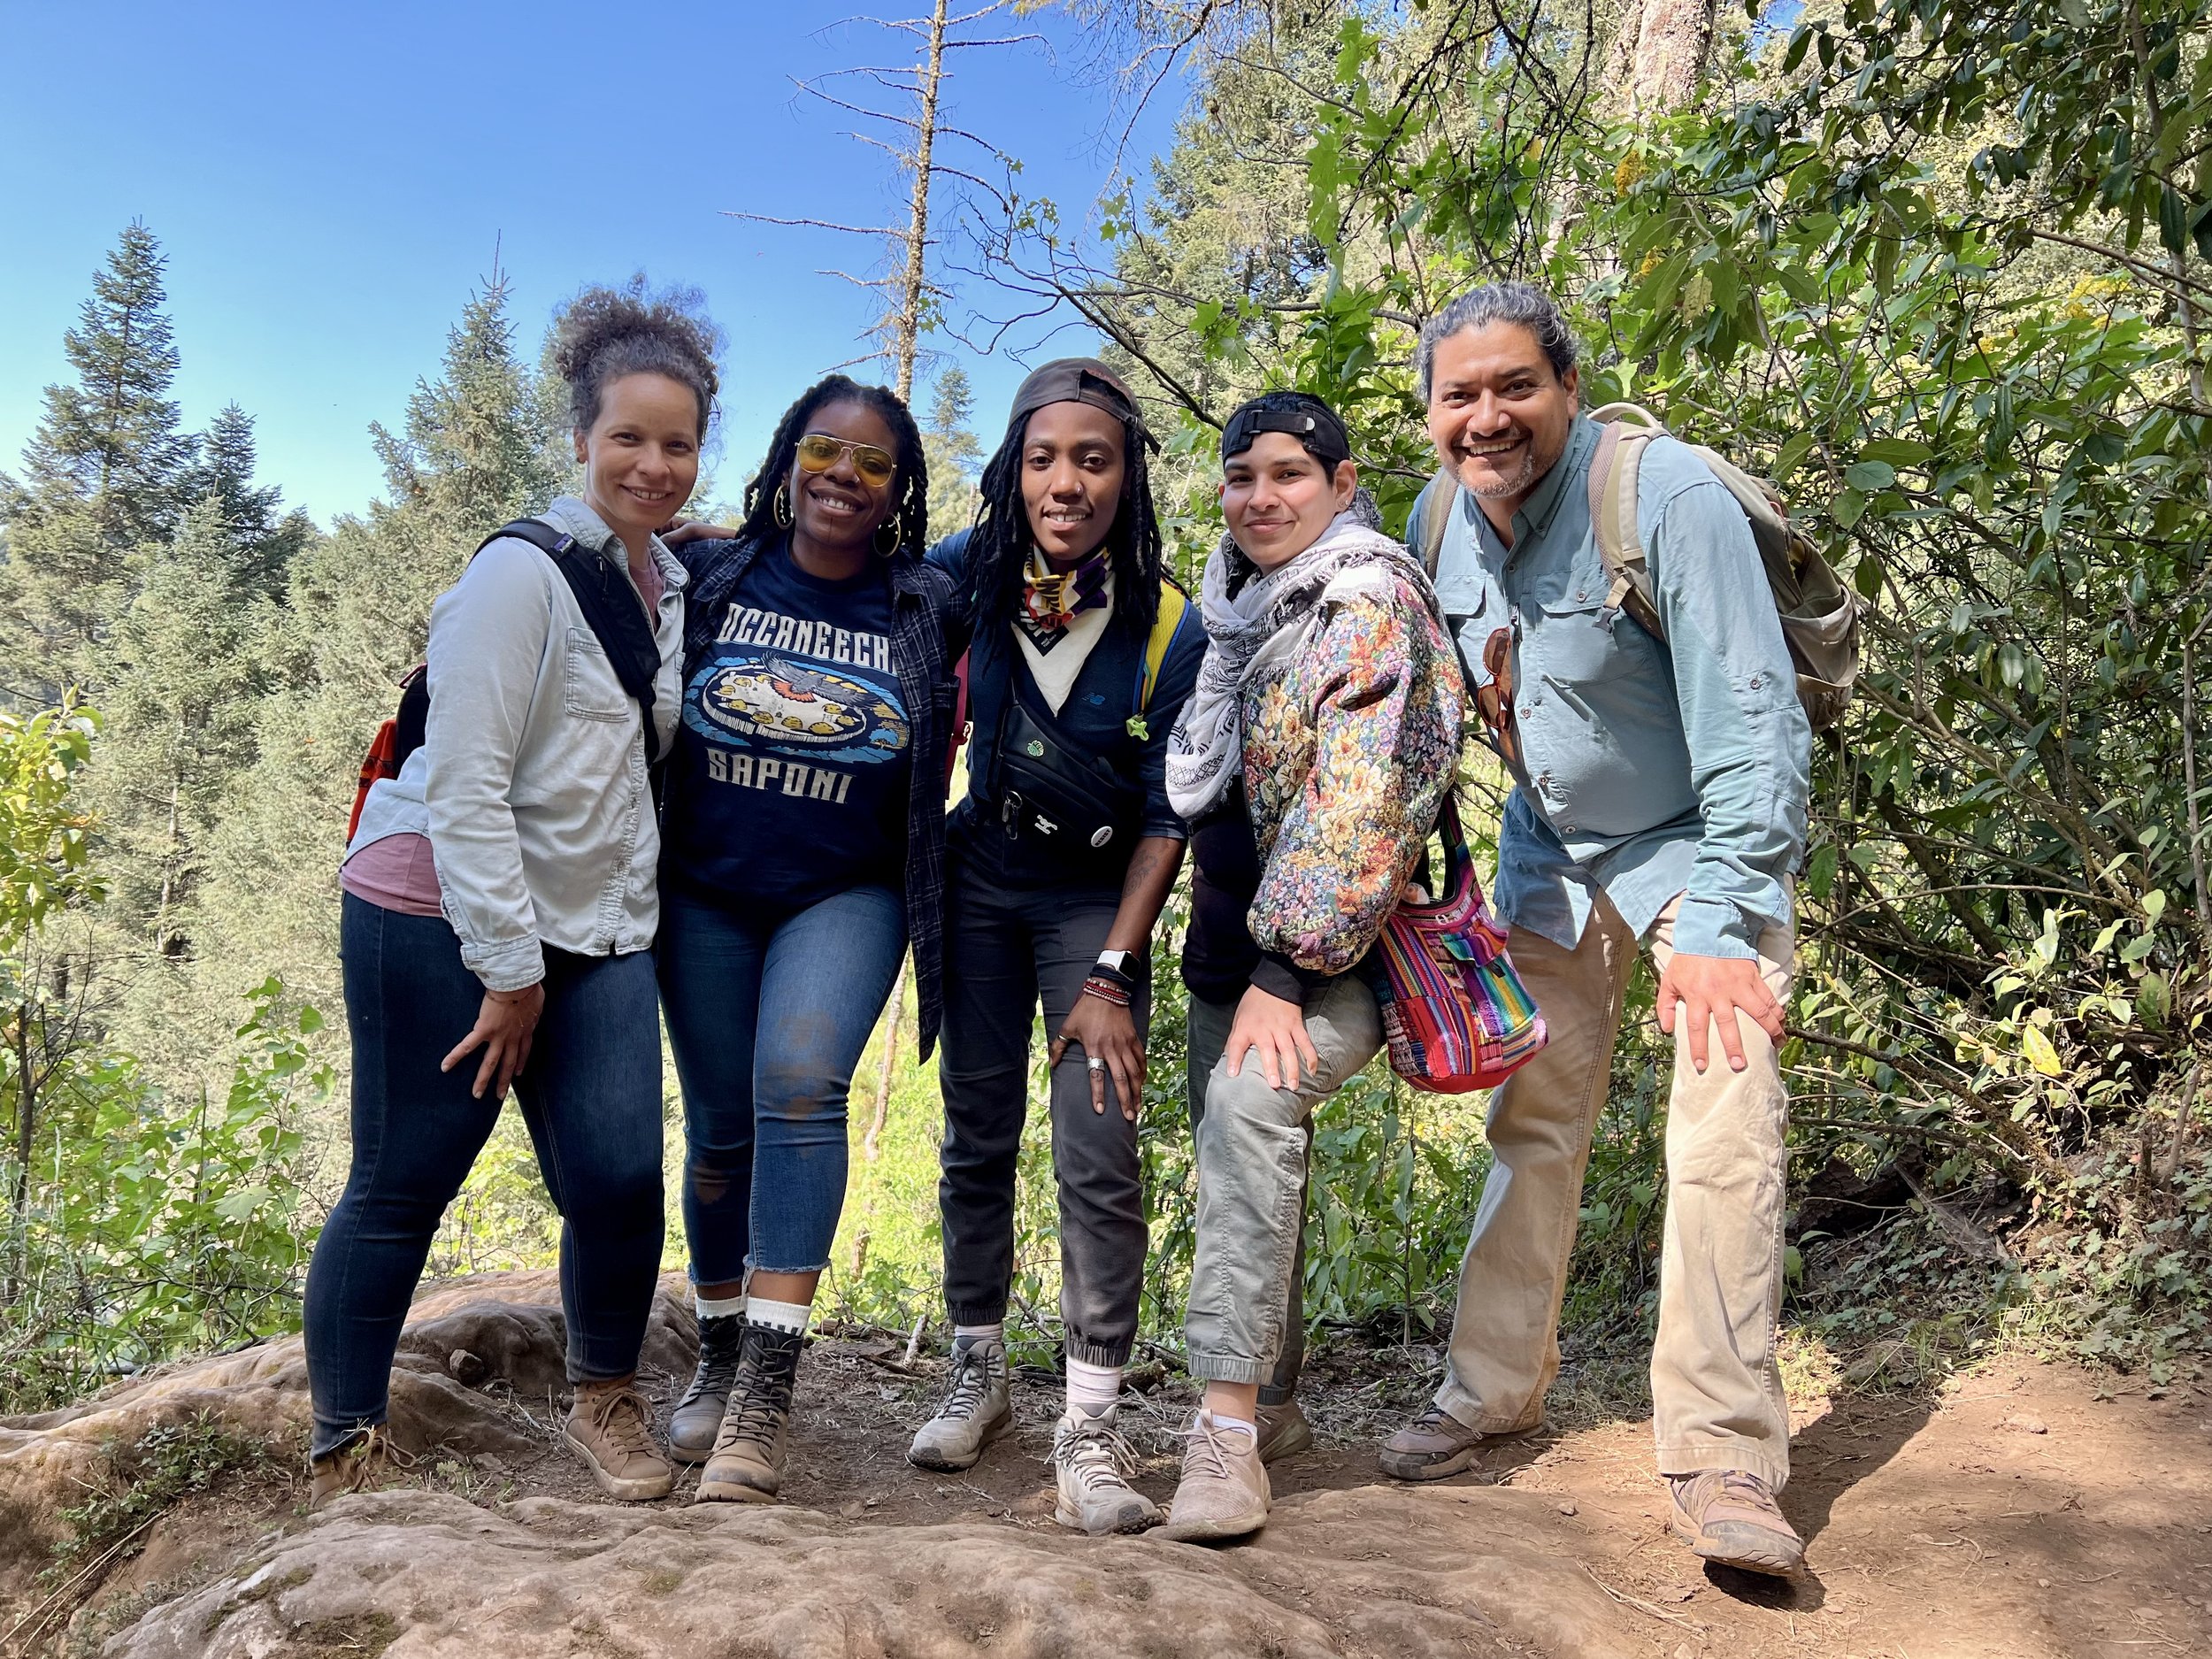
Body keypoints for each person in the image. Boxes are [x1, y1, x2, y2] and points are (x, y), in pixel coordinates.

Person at [1380, 280, 1813, 1578]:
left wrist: (1727, 922)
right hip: (1547, 851)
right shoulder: (1437, 519)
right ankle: (1493, 1386)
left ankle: (1723, 1446)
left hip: (1698, 846)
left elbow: (1756, 722)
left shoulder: (1663, 496)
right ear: (1430, 417)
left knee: (1725, 1103)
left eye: (1515, 385)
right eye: (1460, 394)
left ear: (1567, 386)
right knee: (1534, 1113)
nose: (1488, 416)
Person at [304, 288, 718, 1508]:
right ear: (582, 437)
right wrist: (510, 973)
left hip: (594, 920)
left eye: (677, 441)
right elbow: (468, 790)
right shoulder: (515, 578)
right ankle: (344, 1444)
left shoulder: (667, 586)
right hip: (440, 915)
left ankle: (603, 1393)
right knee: (402, 1177)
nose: (652, 463)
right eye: (628, 437)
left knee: (618, 1178)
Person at [1157, 391, 1466, 1542]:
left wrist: (1282, 972)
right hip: (1231, 943)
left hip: (1328, 954)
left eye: (1288, 473)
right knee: (1238, 1158)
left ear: (1342, 484)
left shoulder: (1366, 597)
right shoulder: (1240, 605)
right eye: (1241, 475)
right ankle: (1272, 1398)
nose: (1259, 496)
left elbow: (1366, 798)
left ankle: (1226, 1431)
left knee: (1250, 1103)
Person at [907, 359, 1204, 1535]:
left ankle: (1089, 1418)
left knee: (1097, 1147)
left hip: (1095, 897)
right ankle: (976, 1366)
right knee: (975, 1125)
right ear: (1012, 469)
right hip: (981, 879)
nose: (1065, 480)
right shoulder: (966, 578)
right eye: (1043, 457)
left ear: (1128, 473)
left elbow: (1170, 810)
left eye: (1093, 457)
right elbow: (845, 586)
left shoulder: (1164, 620)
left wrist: (1112, 974)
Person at [655, 375, 964, 1504]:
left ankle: (765, 1398)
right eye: (824, 450)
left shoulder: (929, 596)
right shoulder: (709, 571)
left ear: (900, 488)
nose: (844, 474)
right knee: (719, 1133)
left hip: (851, 891)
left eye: (873, 462)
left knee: (797, 1080)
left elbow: (1047, 550)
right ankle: (723, 1348)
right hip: (702, 891)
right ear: (788, 458)